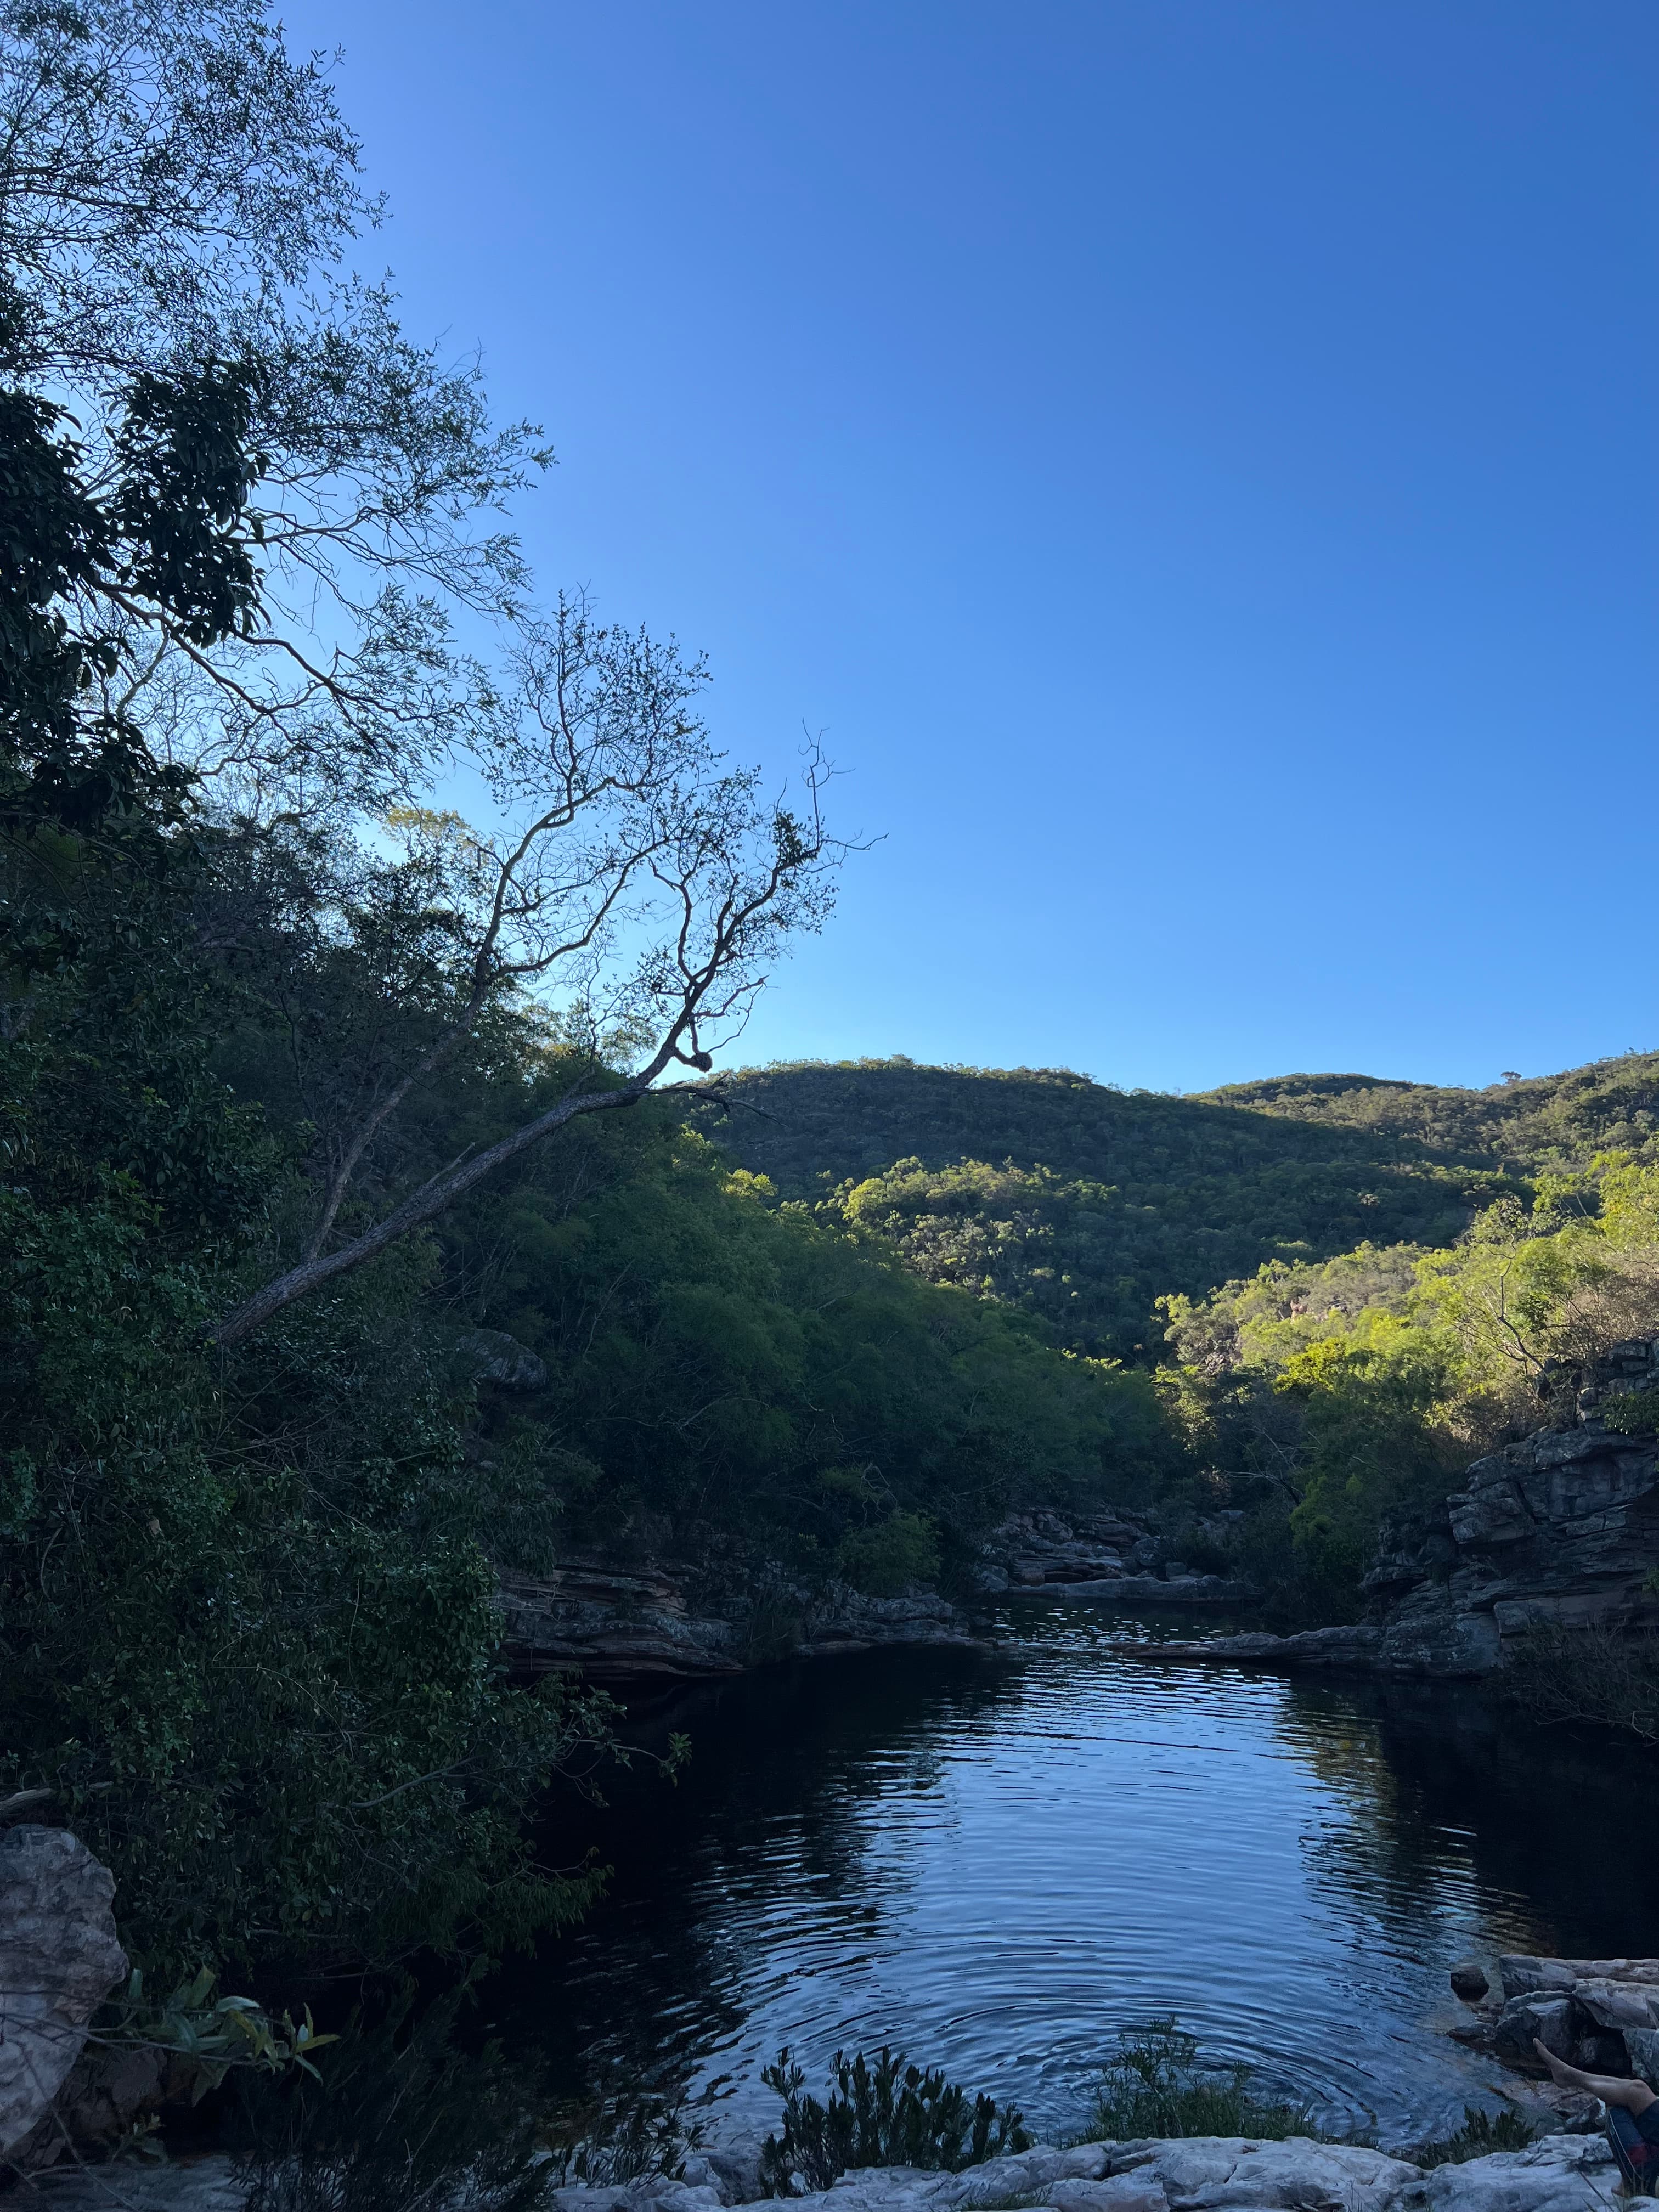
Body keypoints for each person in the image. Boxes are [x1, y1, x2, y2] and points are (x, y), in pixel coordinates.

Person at [1533, 2036, 1659, 2196]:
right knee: (1638, 2090)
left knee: (1616, 2105)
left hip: (1651, 2178)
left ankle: (1631, 2184)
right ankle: (1567, 2074)